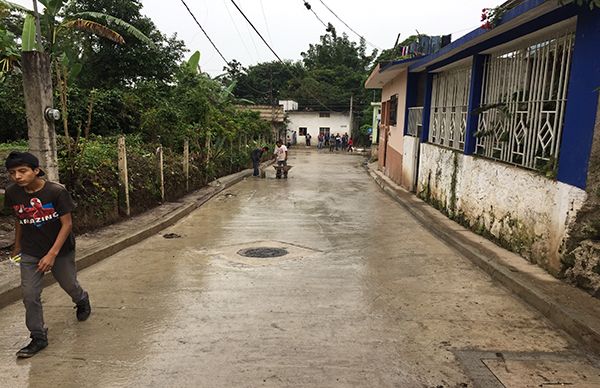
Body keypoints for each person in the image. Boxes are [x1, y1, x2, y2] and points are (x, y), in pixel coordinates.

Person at [4, 151, 91, 358]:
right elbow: (19, 218)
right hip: (31, 250)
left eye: (22, 171)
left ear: (36, 170)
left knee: (68, 283)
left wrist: (52, 254)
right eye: (12, 172)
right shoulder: (12, 193)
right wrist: (17, 245)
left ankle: (81, 299)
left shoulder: (56, 192)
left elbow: (67, 224)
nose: (17, 176)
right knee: (29, 294)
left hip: (60, 250)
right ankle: (38, 336)